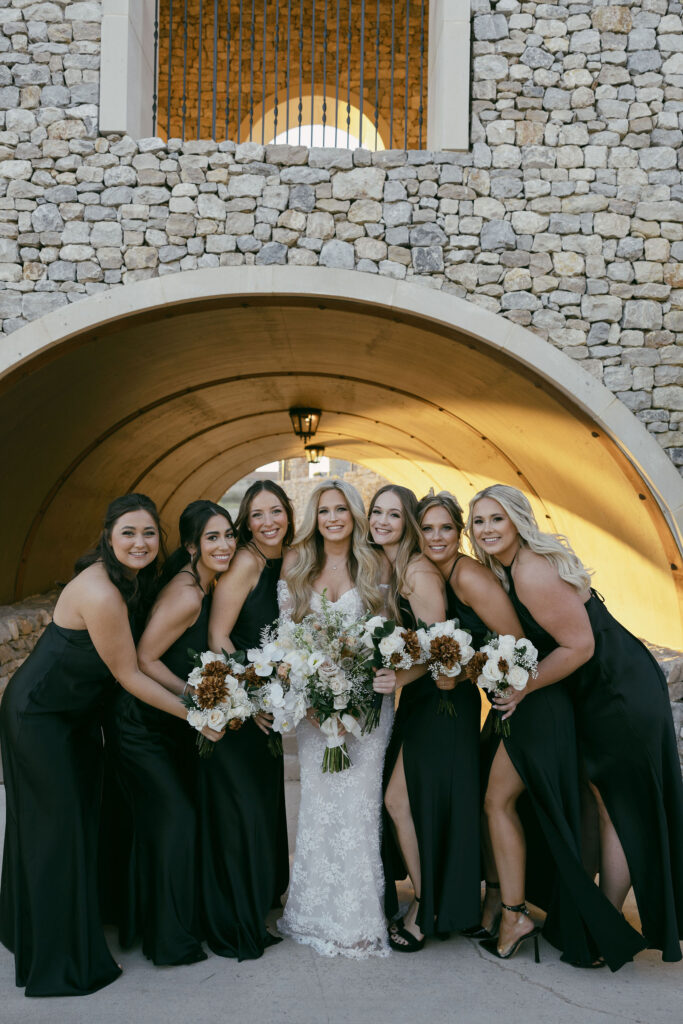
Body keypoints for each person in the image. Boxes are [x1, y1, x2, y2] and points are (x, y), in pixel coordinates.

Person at [0, 494, 222, 998]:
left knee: (77, 823)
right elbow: (127, 675)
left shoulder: (132, 578)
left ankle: (24, 926)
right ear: (108, 535)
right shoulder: (99, 590)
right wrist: (196, 716)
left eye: (149, 534)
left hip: (75, 720)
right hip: (39, 717)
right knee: (56, 831)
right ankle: (58, 961)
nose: (140, 543)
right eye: (129, 532)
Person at [469, 484, 683, 964]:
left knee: (618, 809)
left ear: (518, 521)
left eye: (496, 519)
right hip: (594, 693)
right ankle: (598, 918)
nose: (486, 530)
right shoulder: (509, 569)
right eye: (479, 521)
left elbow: (580, 646)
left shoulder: (529, 570)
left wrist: (524, 686)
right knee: (600, 805)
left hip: (617, 693)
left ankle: (604, 924)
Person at [114, 500, 236, 965]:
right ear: (191, 547)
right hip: (140, 726)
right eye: (212, 538)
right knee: (177, 821)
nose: (224, 545)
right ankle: (167, 941)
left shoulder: (201, 586)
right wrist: (196, 700)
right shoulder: (186, 594)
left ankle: (150, 922)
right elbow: (144, 659)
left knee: (165, 824)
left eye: (228, 535)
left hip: (164, 726)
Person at [278, 479, 394, 958]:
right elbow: (285, 642)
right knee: (319, 807)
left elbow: (389, 636)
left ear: (354, 515)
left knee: (360, 807)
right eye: (324, 510)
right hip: (313, 710)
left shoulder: (377, 564)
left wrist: (361, 694)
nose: (332, 518)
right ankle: (311, 911)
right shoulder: (295, 565)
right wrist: (306, 693)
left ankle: (360, 918)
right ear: (315, 517)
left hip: (368, 711)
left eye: (341, 509)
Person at [370, 485, 478, 950]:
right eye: (377, 512)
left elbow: (442, 648)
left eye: (395, 515)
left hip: (440, 701)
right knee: (412, 804)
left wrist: (398, 680)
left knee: (399, 801)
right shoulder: (390, 568)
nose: (383, 522)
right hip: (418, 701)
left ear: (407, 523)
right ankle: (435, 900)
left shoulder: (417, 571)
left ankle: (425, 905)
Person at [417, 489, 523, 939]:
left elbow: (516, 643)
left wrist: (462, 677)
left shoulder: (468, 577)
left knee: (488, 802)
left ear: (460, 533)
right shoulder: (433, 574)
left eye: (446, 528)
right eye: (427, 528)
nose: (437, 537)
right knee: (479, 801)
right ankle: (490, 898)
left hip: (514, 701)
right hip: (481, 699)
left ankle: (505, 905)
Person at [203, 481, 294, 960]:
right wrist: (254, 693)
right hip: (243, 707)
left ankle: (261, 897)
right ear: (246, 523)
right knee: (244, 809)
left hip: (274, 705)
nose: (268, 522)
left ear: (288, 514)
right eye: (257, 515)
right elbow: (218, 636)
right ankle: (238, 911)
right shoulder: (245, 562)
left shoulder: (291, 559)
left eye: (275, 511)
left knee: (265, 799)